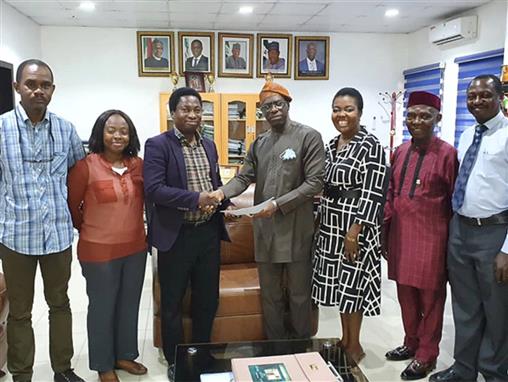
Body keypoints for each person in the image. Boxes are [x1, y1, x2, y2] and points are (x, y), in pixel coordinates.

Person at [211, 81, 325, 340]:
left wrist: (278, 204)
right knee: (270, 295)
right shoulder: (259, 143)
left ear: (287, 105)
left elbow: (315, 183)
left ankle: (301, 346)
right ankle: (275, 347)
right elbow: (243, 178)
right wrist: (221, 193)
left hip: (296, 229)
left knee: (298, 295)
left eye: (277, 104)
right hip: (266, 231)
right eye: (266, 106)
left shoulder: (309, 136)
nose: (272, 109)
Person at [0, 59, 85, 382]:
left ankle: (62, 369)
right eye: (31, 84)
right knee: (20, 312)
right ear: (17, 87)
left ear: (52, 89)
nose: (38, 90)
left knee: (60, 304)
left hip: (58, 236)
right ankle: (22, 374)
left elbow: (78, 176)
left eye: (45, 85)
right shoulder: (2, 128)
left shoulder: (65, 129)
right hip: (15, 236)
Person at [143, 87, 230, 381]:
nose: (192, 115)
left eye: (197, 110)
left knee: (207, 299)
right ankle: (176, 357)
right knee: (172, 303)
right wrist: (196, 200)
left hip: (207, 234)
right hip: (176, 236)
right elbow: (154, 190)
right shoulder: (158, 145)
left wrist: (222, 202)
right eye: (185, 110)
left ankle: (203, 353)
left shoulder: (209, 145)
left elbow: (213, 180)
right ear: (173, 113)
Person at [430, 75, 508, 382]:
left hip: (495, 234)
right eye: (472, 96)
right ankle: (463, 369)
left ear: (500, 97)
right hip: (461, 229)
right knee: (464, 307)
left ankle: (494, 373)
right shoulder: (466, 135)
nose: (476, 101)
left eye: (484, 95)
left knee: (497, 310)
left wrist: (506, 249)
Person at [67, 110, 147, 382]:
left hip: (135, 249)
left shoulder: (138, 164)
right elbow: (72, 207)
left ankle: (125, 355)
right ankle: (103, 364)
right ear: (100, 133)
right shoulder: (86, 166)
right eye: (111, 130)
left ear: (131, 135)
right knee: (102, 307)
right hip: (98, 251)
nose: (117, 135)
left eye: (123, 130)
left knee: (129, 304)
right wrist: (88, 228)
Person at [384, 91, 458, 380]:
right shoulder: (400, 151)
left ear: (437, 118)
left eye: (425, 115)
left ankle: (427, 354)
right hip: (401, 236)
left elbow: (455, 199)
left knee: (432, 300)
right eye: (412, 115)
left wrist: (452, 244)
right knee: (406, 296)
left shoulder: (447, 153)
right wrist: (385, 230)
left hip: (432, 238)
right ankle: (410, 342)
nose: (417, 120)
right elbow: (391, 193)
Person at [312, 87, 387, 364]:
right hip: (331, 223)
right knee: (341, 287)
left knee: (353, 286)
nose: (341, 115)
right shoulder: (332, 144)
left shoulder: (371, 145)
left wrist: (356, 229)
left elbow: (373, 192)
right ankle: (344, 340)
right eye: (337, 109)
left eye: (348, 109)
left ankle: (354, 346)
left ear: (360, 112)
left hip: (355, 226)